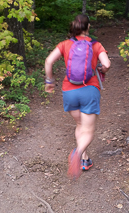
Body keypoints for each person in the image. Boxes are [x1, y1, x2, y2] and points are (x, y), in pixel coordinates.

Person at [44, 14, 111, 180]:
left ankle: (84, 159)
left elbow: (48, 61)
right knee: (88, 129)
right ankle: (78, 153)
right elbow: (107, 64)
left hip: (69, 91)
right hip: (89, 90)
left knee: (80, 124)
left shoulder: (65, 44)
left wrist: (49, 81)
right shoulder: (95, 45)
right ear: (88, 27)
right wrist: (102, 70)